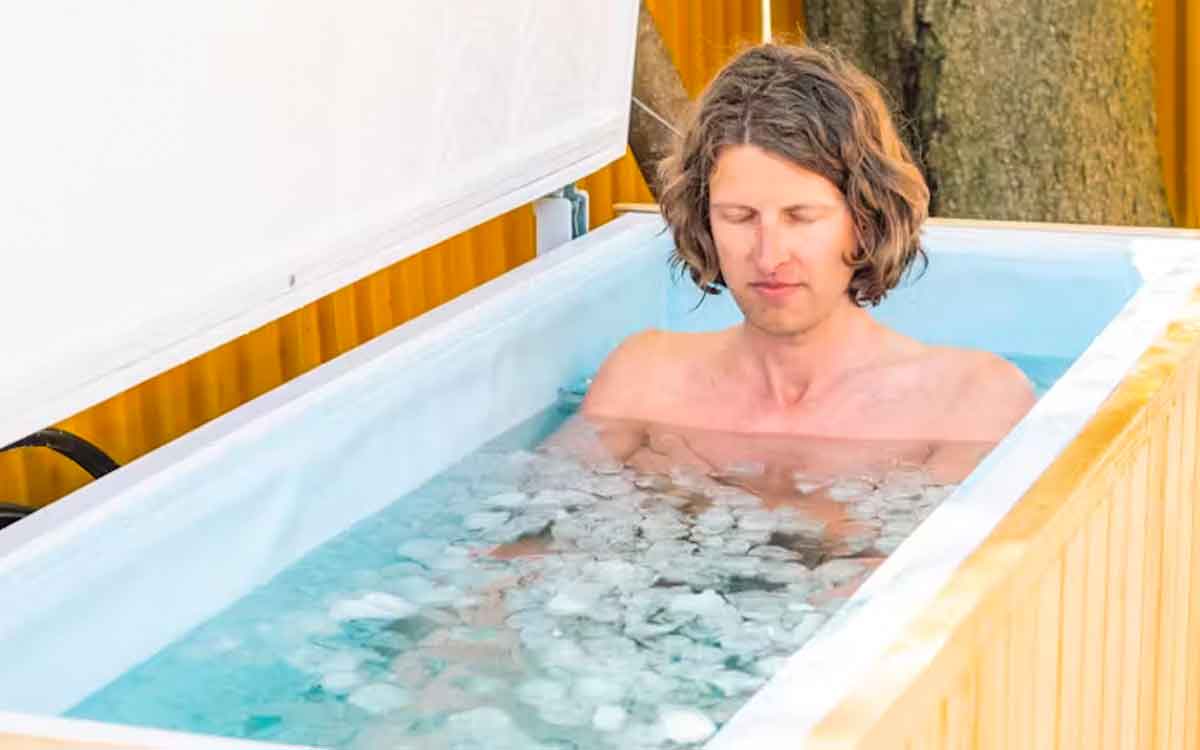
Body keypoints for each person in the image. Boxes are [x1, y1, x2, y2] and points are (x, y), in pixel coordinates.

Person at [574, 43, 1034, 484]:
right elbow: (541, 528)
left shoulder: (970, 401)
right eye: (739, 217)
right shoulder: (643, 382)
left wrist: (693, 502)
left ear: (865, 218)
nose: (769, 256)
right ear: (704, 221)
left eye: (801, 217)